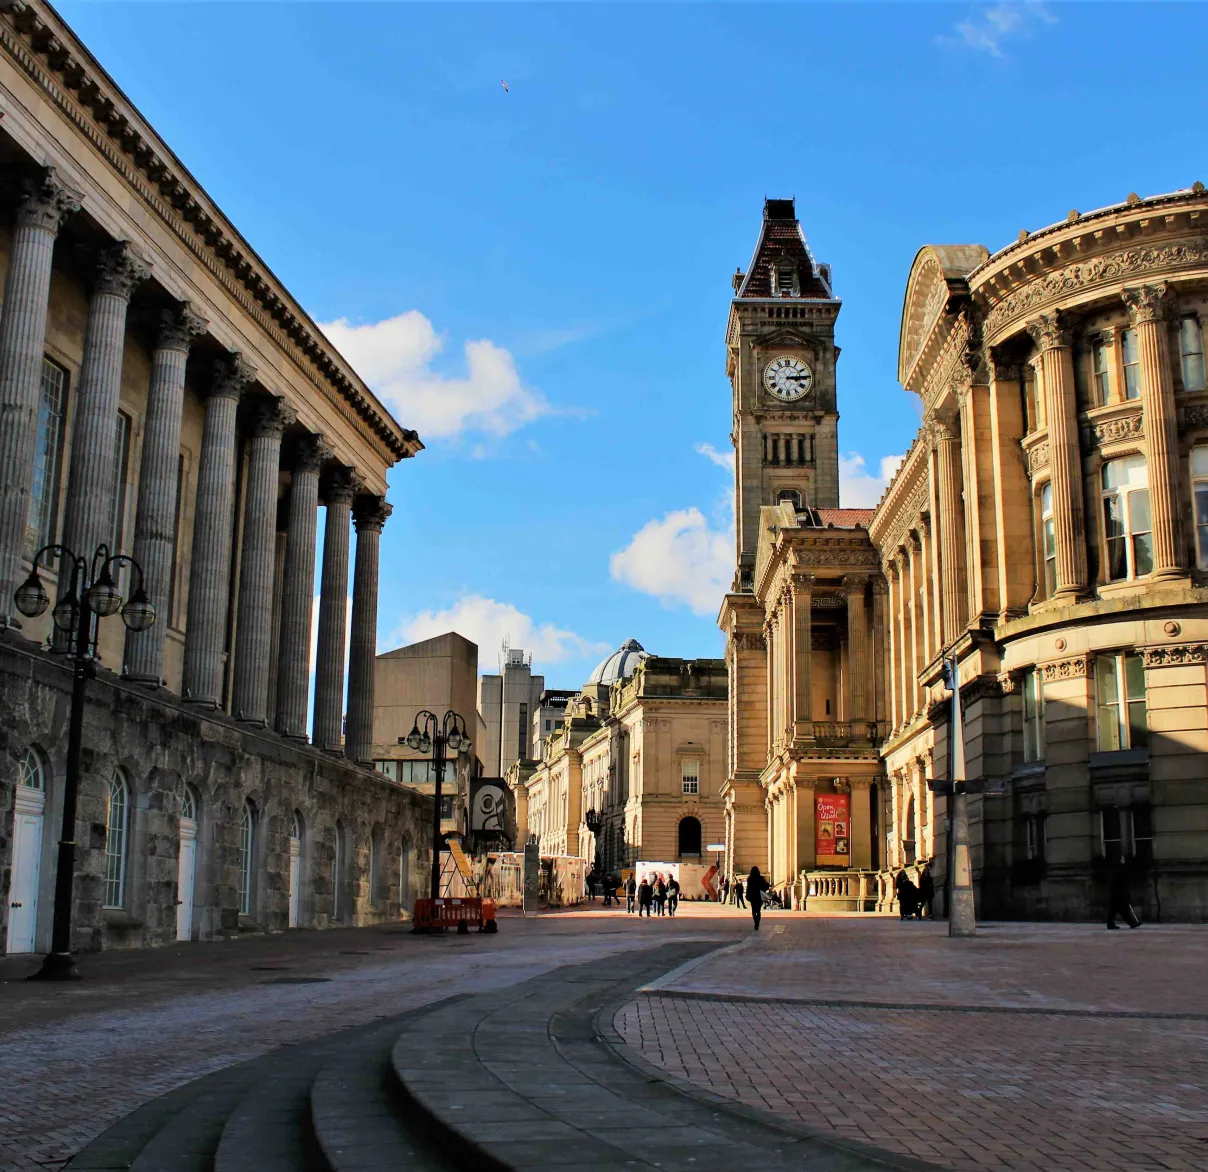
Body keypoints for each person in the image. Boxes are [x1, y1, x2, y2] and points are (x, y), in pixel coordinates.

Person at [1108, 855, 1141, 929]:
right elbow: (1121, 881)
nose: (1124, 860)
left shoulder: (1118, 869)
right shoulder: (1118, 870)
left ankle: (1110, 923)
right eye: (1122, 859)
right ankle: (1132, 923)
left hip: (1117, 894)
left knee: (1114, 910)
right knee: (1123, 910)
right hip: (1119, 894)